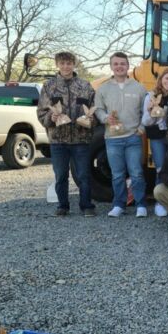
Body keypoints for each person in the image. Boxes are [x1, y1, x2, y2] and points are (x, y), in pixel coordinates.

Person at [36, 51, 96, 217]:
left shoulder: (85, 86)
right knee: (61, 175)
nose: (66, 66)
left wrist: (90, 119)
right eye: (62, 63)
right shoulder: (49, 87)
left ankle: (87, 206)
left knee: (84, 174)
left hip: (81, 139)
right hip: (58, 140)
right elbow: (41, 112)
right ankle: (63, 206)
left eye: (69, 63)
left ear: (73, 64)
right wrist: (51, 117)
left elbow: (95, 111)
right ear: (57, 65)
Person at [94, 52, 148, 218]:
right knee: (117, 174)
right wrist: (105, 118)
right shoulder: (103, 88)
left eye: (122, 64)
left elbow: (146, 111)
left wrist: (142, 128)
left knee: (136, 173)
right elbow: (98, 109)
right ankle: (119, 204)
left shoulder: (139, 87)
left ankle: (141, 205)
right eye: (116, 64)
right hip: (112, 139)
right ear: (111, 66)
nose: (119, 67)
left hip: (133, 137)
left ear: (128, 65)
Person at [142, 68, 168, 217]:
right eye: (166, 78)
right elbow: (145, 121)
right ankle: (160, 203)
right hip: (157, 137)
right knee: (161, 168)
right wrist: (151, 111)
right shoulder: (151, 96)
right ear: (161, 79)